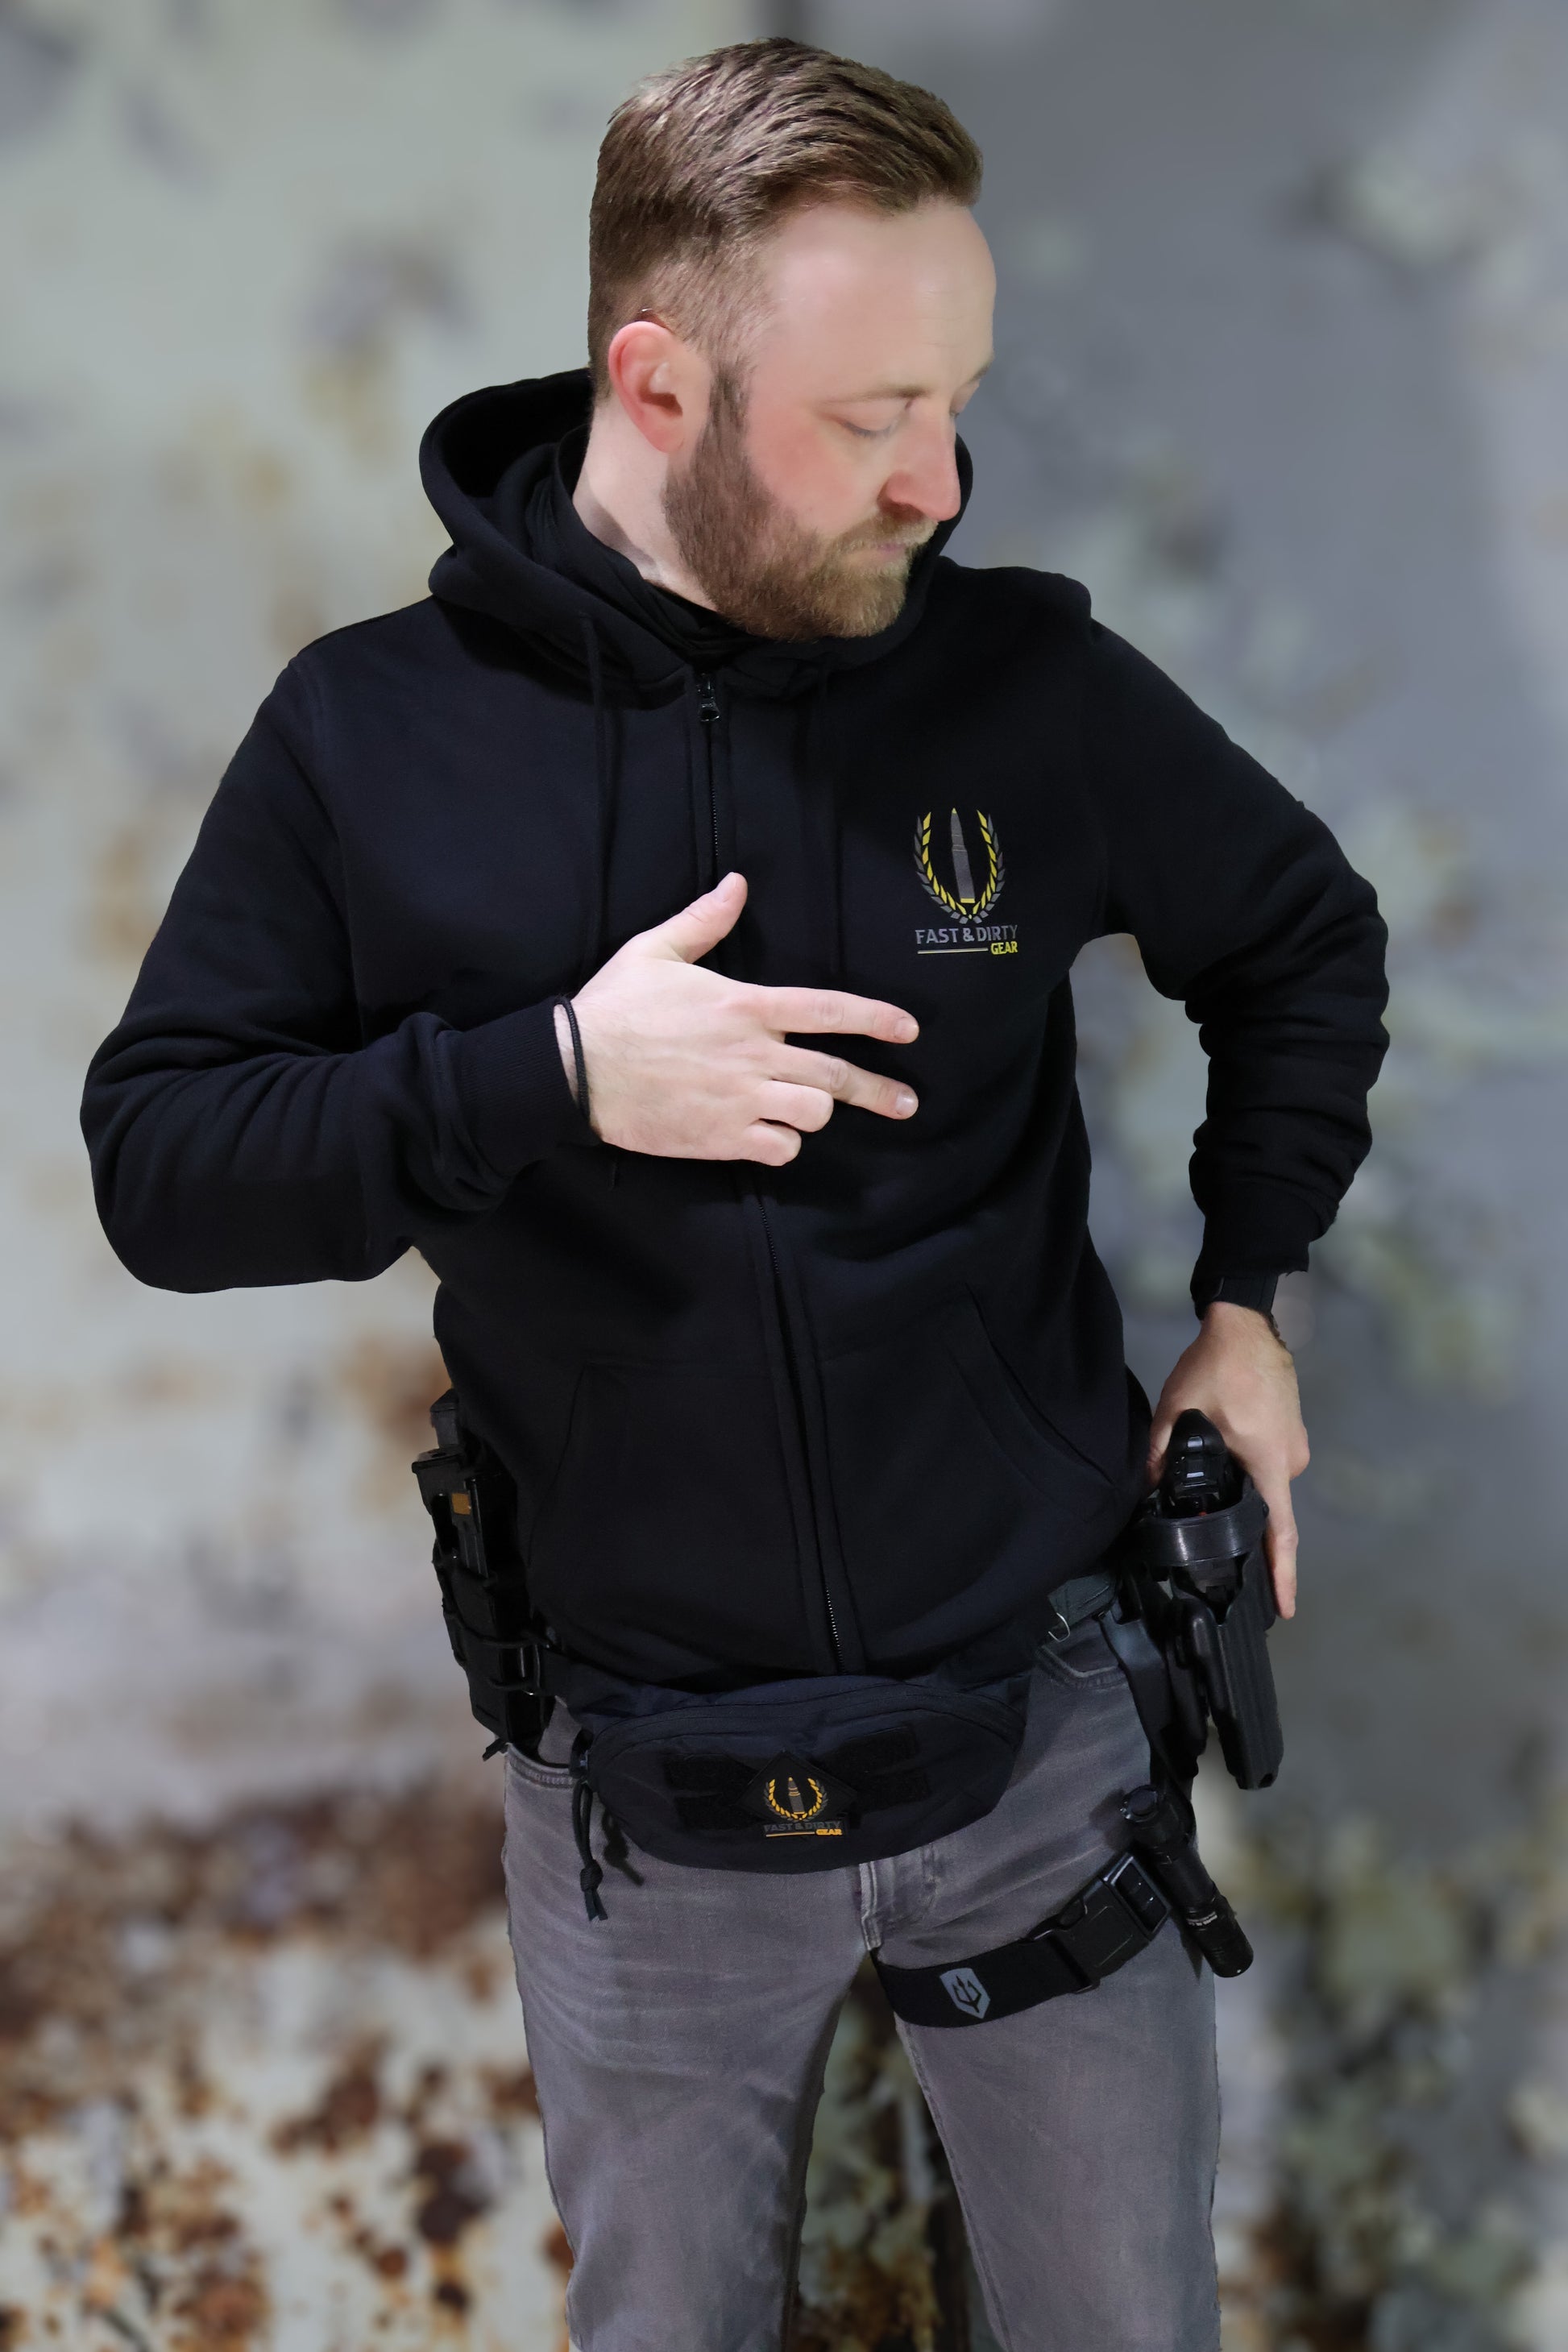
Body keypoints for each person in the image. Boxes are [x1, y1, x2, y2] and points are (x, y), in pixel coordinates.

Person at [81, 37, 1388, 2352]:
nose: (938, 479)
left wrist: (1247, 1303)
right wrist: (560, 1072)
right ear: (657, 383)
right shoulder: (369, 738)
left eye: (956, 399)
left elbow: (1302, 940)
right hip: (640, 1792)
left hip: (1041, 1725)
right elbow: (165, 1169)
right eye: (870, 415)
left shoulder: (1021, 686)